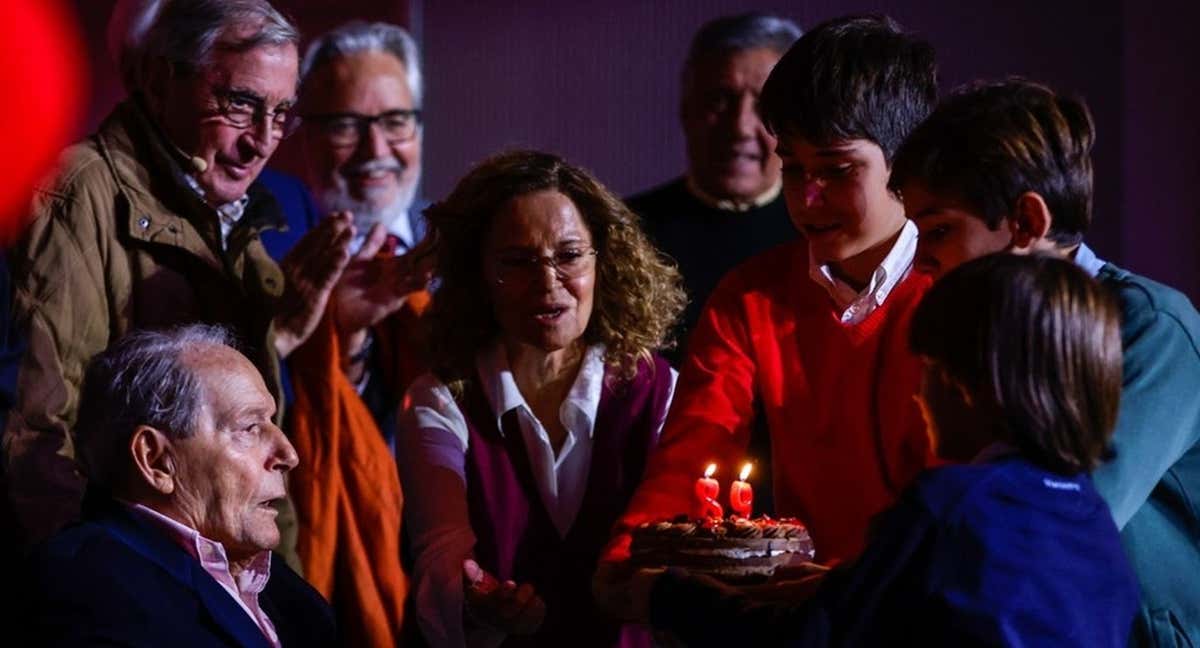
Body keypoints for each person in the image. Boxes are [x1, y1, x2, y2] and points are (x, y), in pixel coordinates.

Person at [614, 254, 1140, 647]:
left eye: (929, 371)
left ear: (971, 388)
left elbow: (812, 640)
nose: (916, 392)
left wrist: (671, 598)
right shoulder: (1089, 514)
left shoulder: (948, 504)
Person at [2, 0, 353, 552]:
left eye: (282, 114)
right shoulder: (75, 194)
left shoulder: (235, 213)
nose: (262, 140)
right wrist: (97, 582)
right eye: (240, 104)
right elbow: (39, 436)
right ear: (163, 79)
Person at [607, 15, 938, 567]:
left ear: (906, 164)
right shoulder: (751, 294)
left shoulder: (962, 294)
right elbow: (694, 452)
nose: (807, 198)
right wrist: (626, 560)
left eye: (836, 170)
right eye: (792, 168)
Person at [889, 77, 1200, 646]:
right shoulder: (991, 341)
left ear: (1027, 224)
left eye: (939, 231)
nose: (920, 264)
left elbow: (1060, 515)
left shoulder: (1151, 327)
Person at [397, 150, 686, 647]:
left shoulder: (657, 390)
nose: (548, 283)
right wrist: (478, 602)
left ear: (604, 260)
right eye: (518, 262)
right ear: (479, 274)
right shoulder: (441, 400)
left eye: (569, 256)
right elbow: (440, 549)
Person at [20, 325, 337, 647]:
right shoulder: (87, 590)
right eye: (250, 428)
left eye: (272, 422)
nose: (289, 455)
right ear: (157, 461)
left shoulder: (281, 588)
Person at [627, 13, 801, 361]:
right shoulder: (625, 231)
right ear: (686, 111)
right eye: (719, 100)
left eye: (764, 105)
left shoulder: (826, 233)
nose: (739, 126)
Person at [297, 19, 434, 436]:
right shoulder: (279, 260)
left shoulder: (466, 245)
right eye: (345, 126)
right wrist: (342, 339)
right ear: (306, 135)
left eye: (395, 121)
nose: (375, 150)